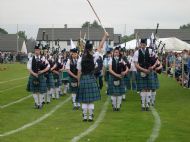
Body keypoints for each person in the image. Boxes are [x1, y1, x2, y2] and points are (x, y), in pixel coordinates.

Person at [77, 32, 109, 122]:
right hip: (91, 78)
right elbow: (100, 46)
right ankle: (90, 116)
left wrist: (79, 82)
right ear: (91, 49)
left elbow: (79, 72)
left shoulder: (80, 58)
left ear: (85, 48)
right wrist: (105, 36)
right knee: (90, 100)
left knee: (84, 99)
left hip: (83, 78)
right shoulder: (94, 56)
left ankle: (84, 116)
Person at [133, 39, 156, 111]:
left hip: (149, 71)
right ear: (140, 44)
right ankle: (143, 105)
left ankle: (147, 104)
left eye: (144, 44)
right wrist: (144, 70)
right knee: (143, 89)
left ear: (146, 44)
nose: (142, 45)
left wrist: (152, 67)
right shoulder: (137, 52)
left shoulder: (150, 51)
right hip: (141, 72)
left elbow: (156, 60)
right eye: (141, 44)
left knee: (148, 88)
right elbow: (136, 64)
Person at [27, 44, 50, 109]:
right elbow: (28, 68)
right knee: (34, 91)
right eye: (36, 50)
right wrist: (34, 74)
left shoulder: (43, 58)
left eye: (38, 50)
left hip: (41, 76)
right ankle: (37, 103)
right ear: (34, 51)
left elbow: (48, 66)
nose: (37, 51)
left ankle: (40, 104)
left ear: (40, 51)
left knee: (41, 91)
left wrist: (42, 71)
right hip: (33, 76)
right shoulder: (31, 59)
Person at [108, 47, 129, 111]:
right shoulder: (111, 60)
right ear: (113, 53)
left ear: (119, 53)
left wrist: (124, 72)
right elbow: (110, 69)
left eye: (117, 52)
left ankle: (118, 106)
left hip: (120, 77)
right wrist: (117, 75)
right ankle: (114, 106)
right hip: (113, 77)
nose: (116, 53)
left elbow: (127, 68)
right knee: (114, 93)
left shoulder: (121, 60)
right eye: (115, 52)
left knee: (119, 93)